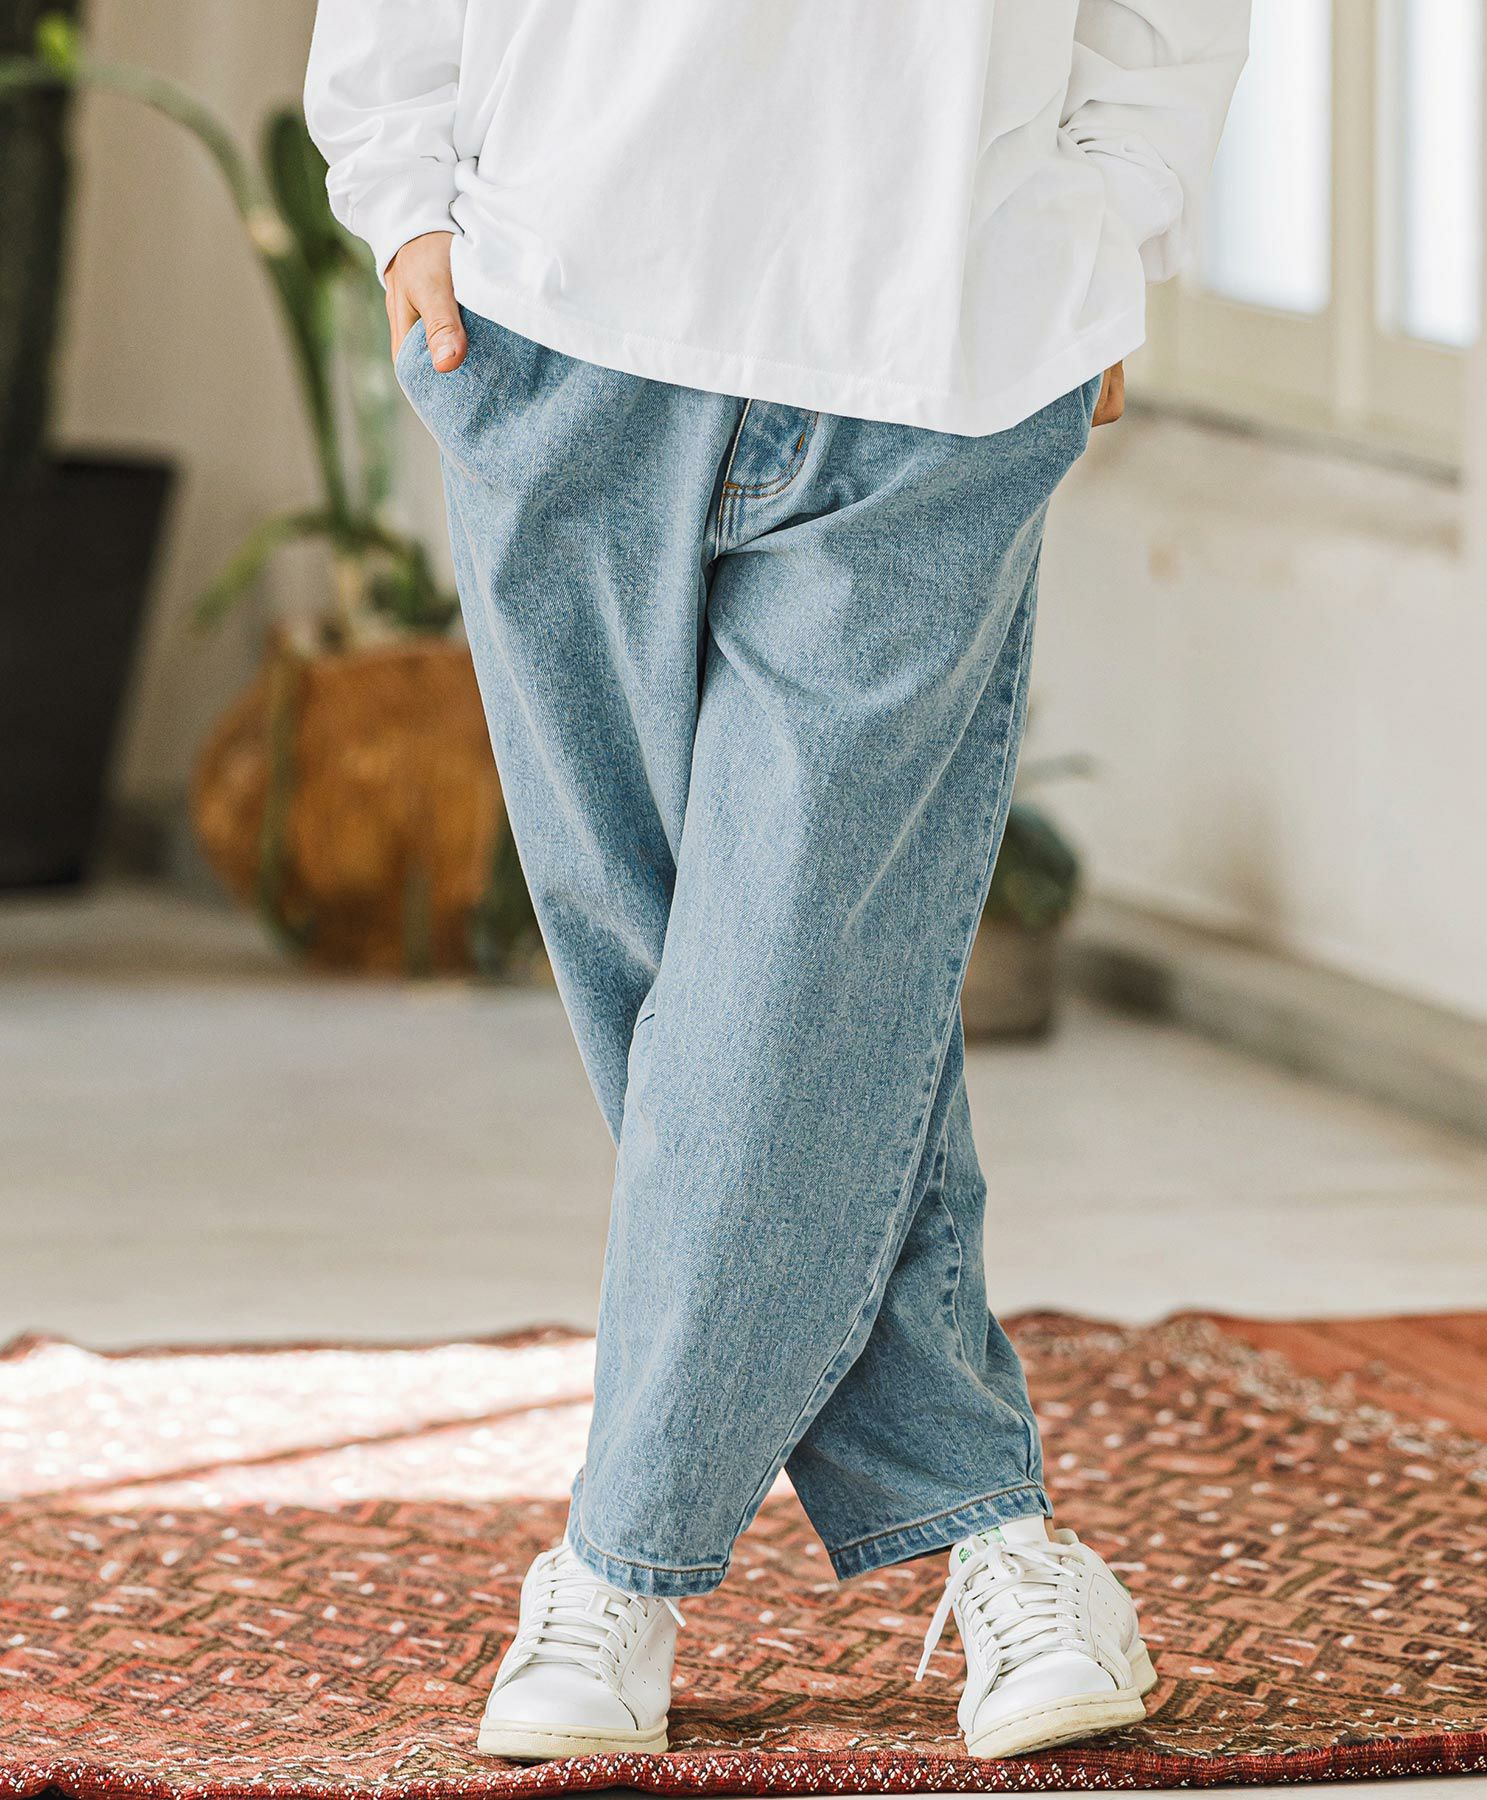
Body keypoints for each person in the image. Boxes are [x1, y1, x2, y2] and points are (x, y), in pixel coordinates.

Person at [306, 0, 1249, 1763]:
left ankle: (618, 1571)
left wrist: (1114, 213)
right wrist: (401, 188)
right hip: (557, 312)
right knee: (704, 971)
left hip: (945, 335)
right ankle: (998, 1537)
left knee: (791, 980)